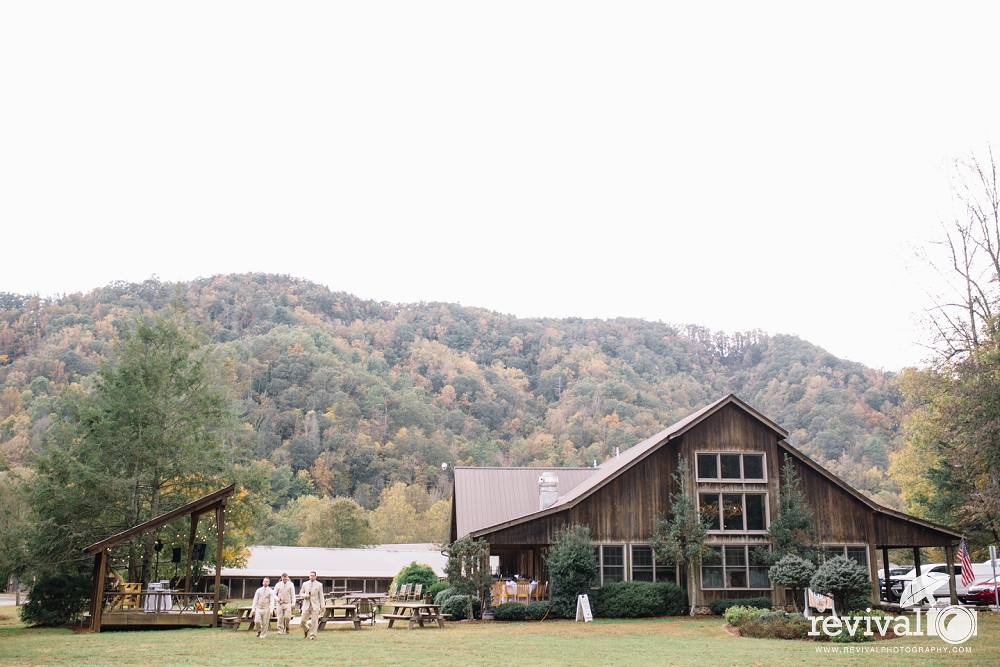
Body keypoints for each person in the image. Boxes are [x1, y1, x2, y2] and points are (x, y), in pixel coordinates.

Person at [299, 571, 324, 640]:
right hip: (306, 604)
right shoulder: (305, 584)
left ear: (315, 577)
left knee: (314, 621)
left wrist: (322, 605)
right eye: (311, 575)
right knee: (302, 620)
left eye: (313, 576)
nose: (312, 577)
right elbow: (300, 593)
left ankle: (313, 635)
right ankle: (306, 629)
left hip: (315, 605)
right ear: (309, 576)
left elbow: (321, 595)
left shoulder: (319, 585)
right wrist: (305, 595)